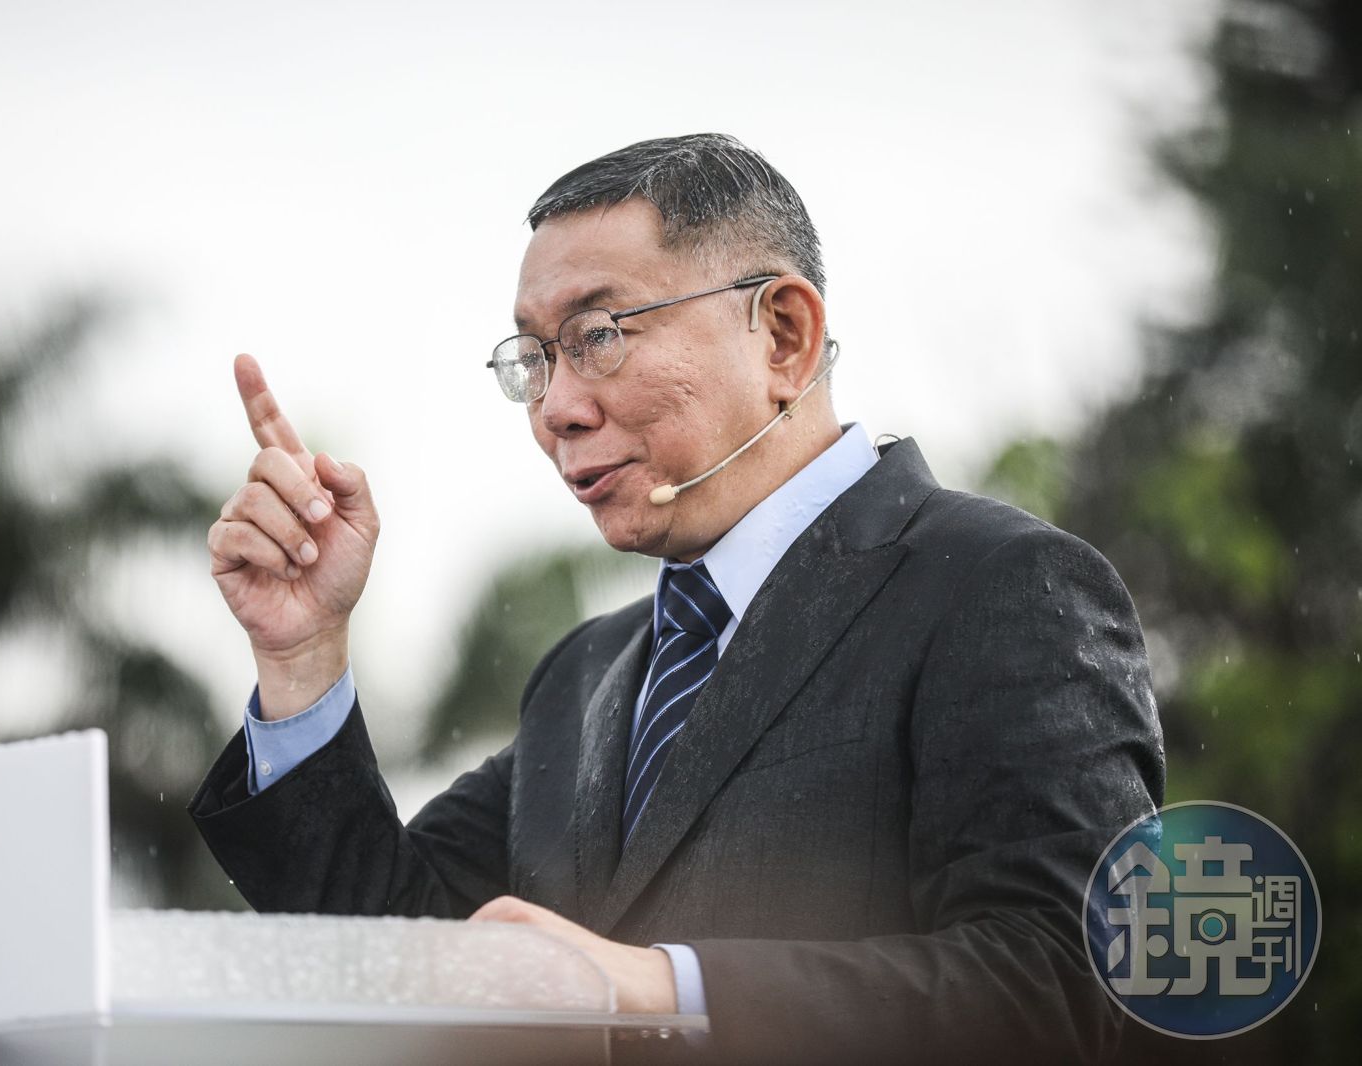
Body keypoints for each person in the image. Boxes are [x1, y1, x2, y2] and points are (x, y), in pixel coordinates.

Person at [188, 133, 1165, 1065]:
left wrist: (660, 990)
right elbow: (394, 958)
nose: (556, 408)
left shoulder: (999, 586)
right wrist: (302, 657)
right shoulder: (582, 677)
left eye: (599, 335)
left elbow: (1069, 986)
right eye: (533, 358)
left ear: (783, 335)